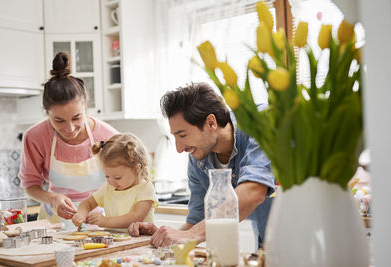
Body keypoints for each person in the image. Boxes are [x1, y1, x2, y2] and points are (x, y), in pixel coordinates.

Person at [129, 83, 275, 249]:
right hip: (267, 246)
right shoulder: (198, 158)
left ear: (211, 123)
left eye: (182, 135)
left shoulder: (261, 122)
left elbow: (254, 190)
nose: (179, 148)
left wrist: (189, 235)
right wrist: (163, 236)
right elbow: (197, 222)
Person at [19, 52, 118, 228]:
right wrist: (52, 198)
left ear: (86, 106)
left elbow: (124, 182)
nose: (70, 128)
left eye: (76, 118)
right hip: (54, 223)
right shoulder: (35, 137)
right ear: (46, 112)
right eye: (58, 120)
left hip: (100, 221)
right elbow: (30, 185)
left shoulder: (108, 135)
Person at [71, 133, 159, 231]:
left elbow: (136, 217)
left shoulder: (145, 188)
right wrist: (81, 215)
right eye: (107, 176)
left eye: (117, 177)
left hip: (140, 241)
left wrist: (106, 222)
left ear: (136, 169)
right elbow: (87, 204)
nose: (111, 182)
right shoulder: (109, 187)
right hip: (114, 241)